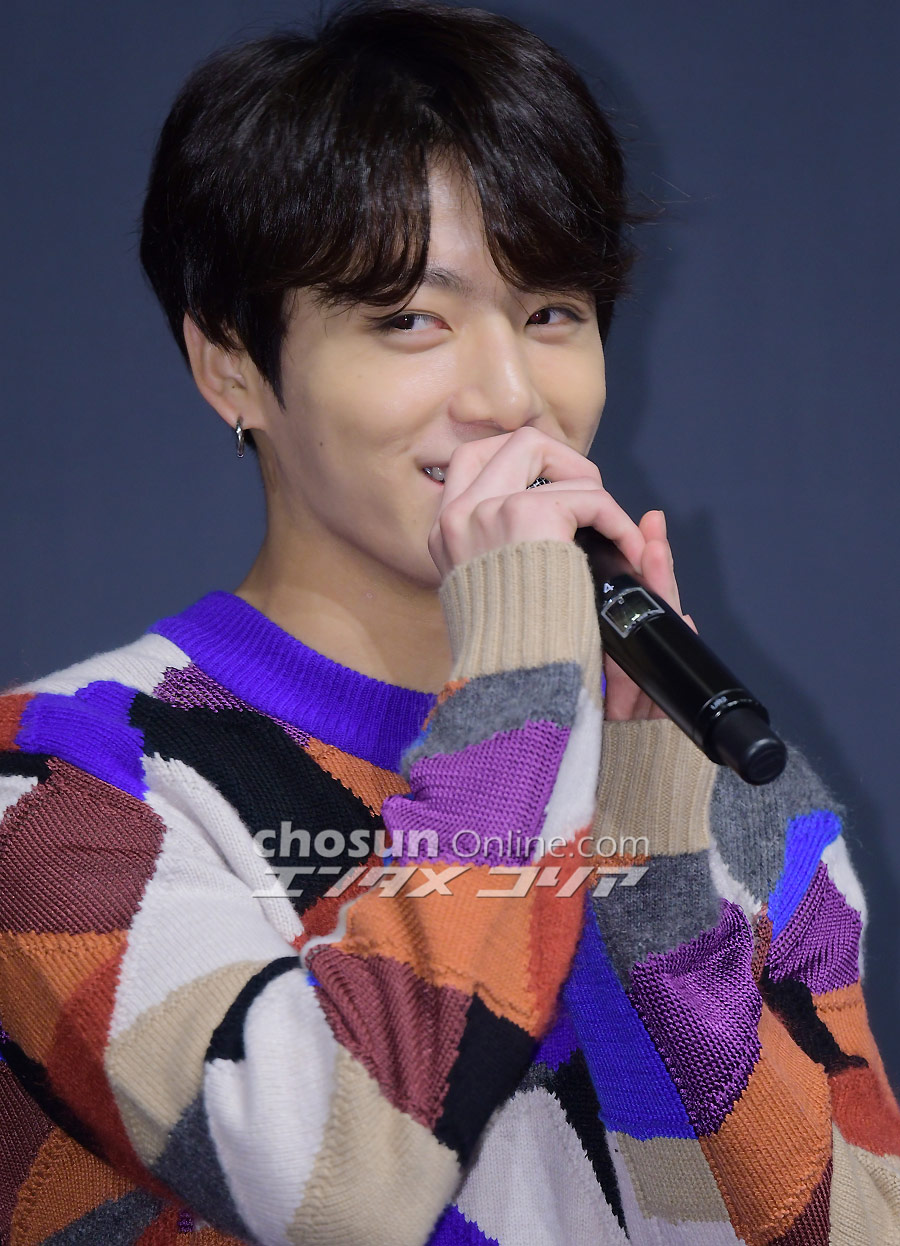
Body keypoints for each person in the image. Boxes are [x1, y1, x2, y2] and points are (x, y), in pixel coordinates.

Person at [1, 1, 898, 1242]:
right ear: (231, 366)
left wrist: (657, 865)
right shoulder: (66, 778)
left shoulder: (732, 774)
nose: (510, 395)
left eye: (552, 312)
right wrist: (522, 693)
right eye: (410, 319)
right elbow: (338, 1190)